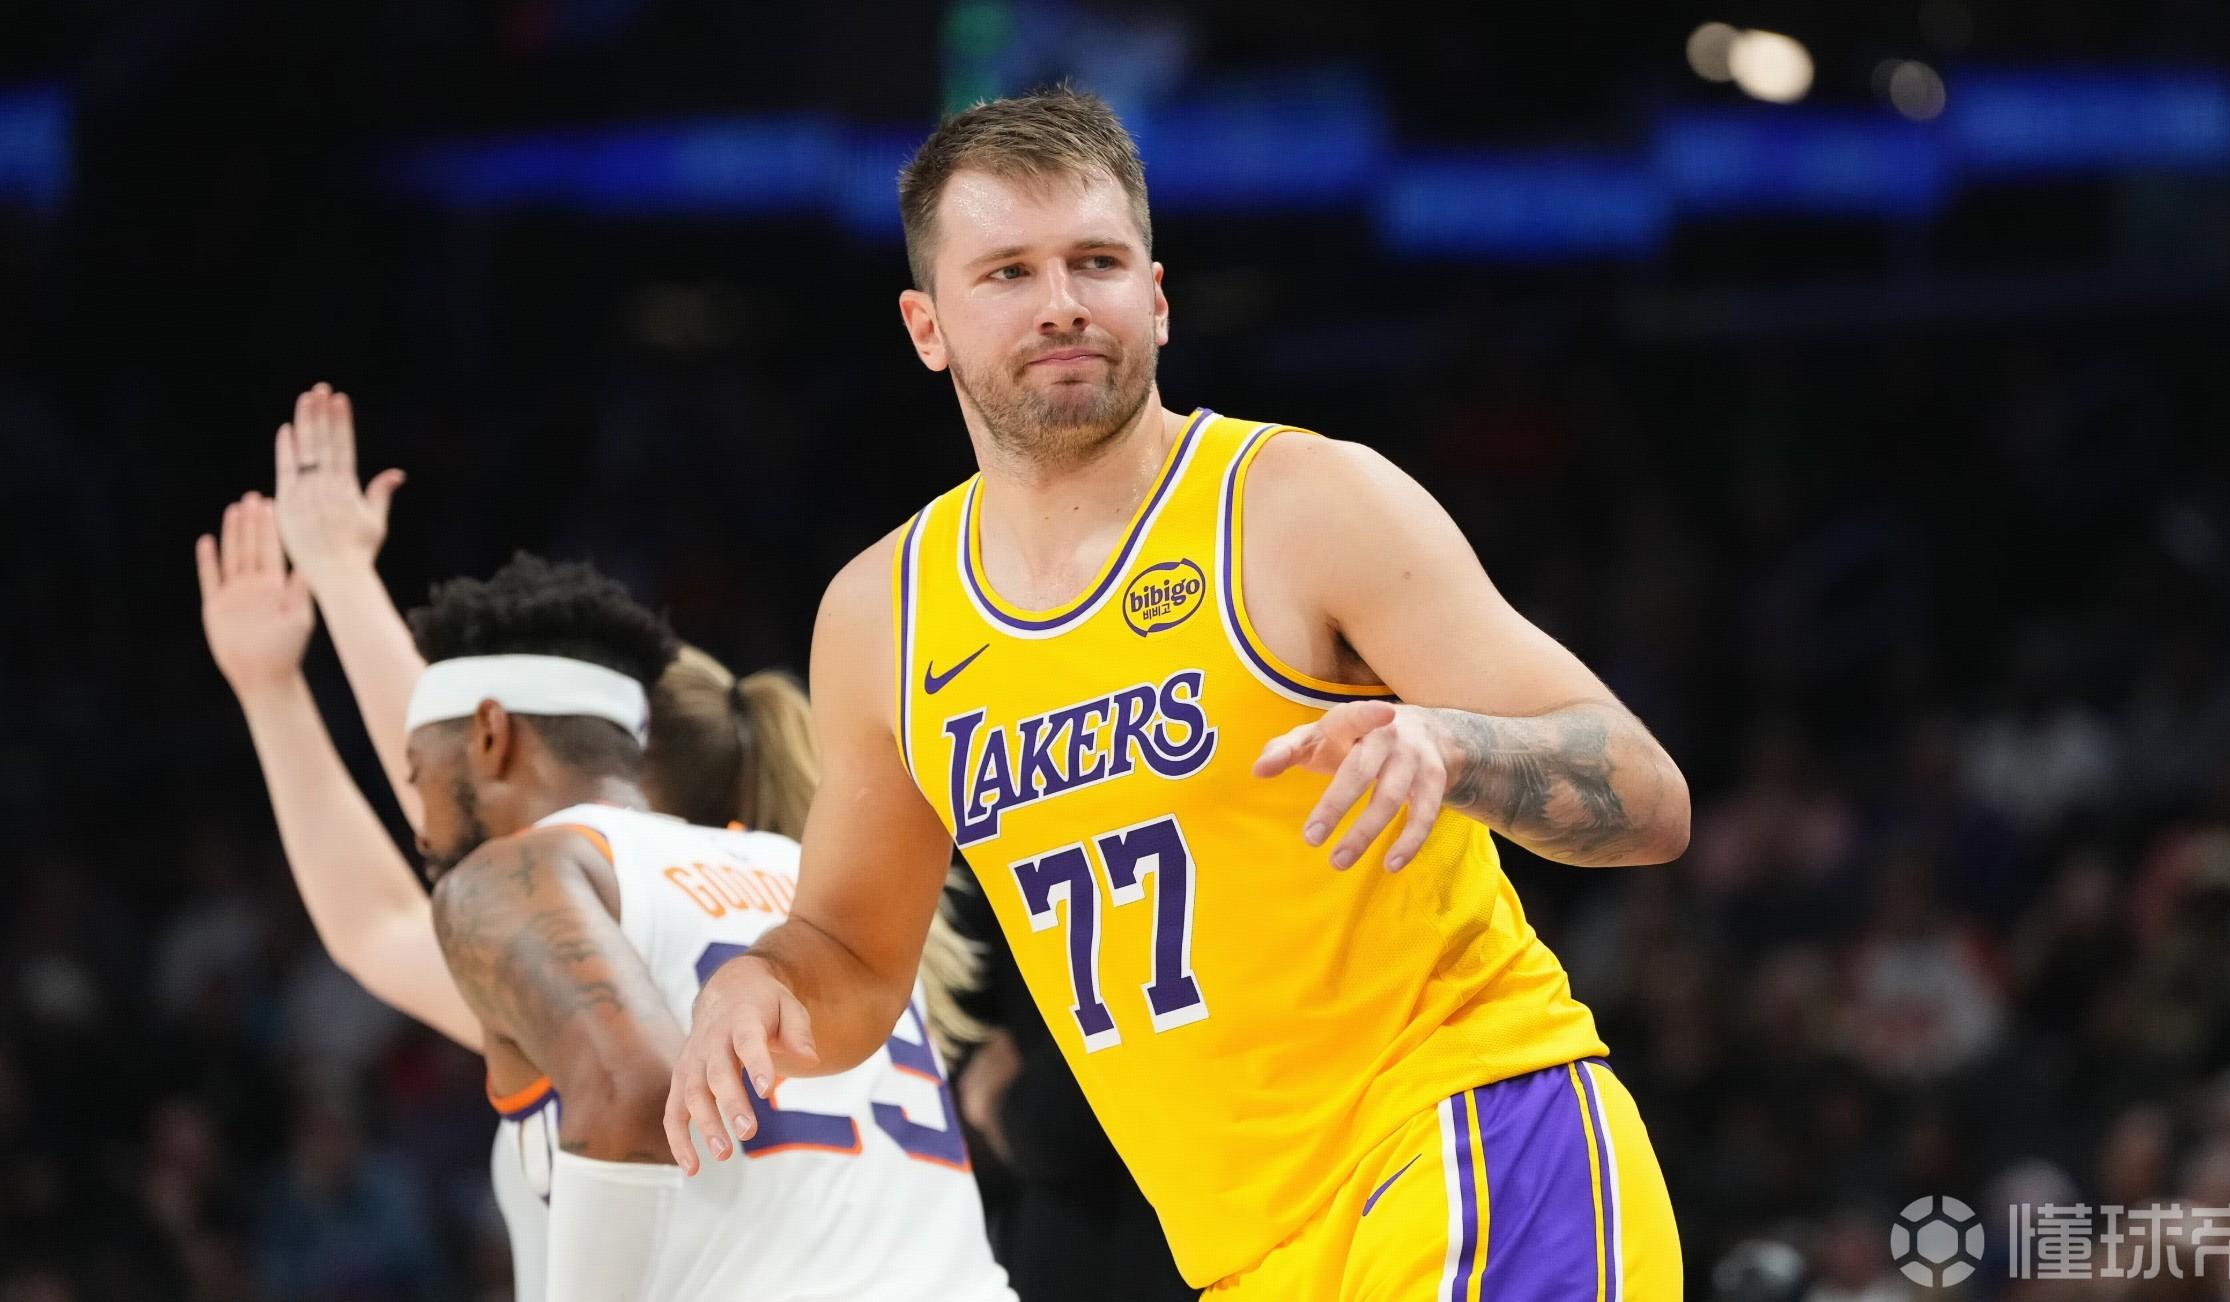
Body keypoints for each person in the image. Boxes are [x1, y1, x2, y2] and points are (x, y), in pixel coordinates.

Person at [666, 86, 1693, 1299]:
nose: (1061, 302)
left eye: (1096, 262)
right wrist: (760, 981)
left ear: (1155, 297)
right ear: (926, 324)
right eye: (1008, 272)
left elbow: (1648, 795)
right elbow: (849, 951)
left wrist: (1459, 748)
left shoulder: (1303, 504)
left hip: (1472, 1151)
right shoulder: (883, 615)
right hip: (1246, 1258)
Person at [196, 392, 1008, 1301]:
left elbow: (398, 923)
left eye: (419, 775)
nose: (420, 826)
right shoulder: (803, 888)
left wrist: (301, 645)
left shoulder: (555, 894)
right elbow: (405, 894)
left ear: (492, 735)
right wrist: (317, 614)